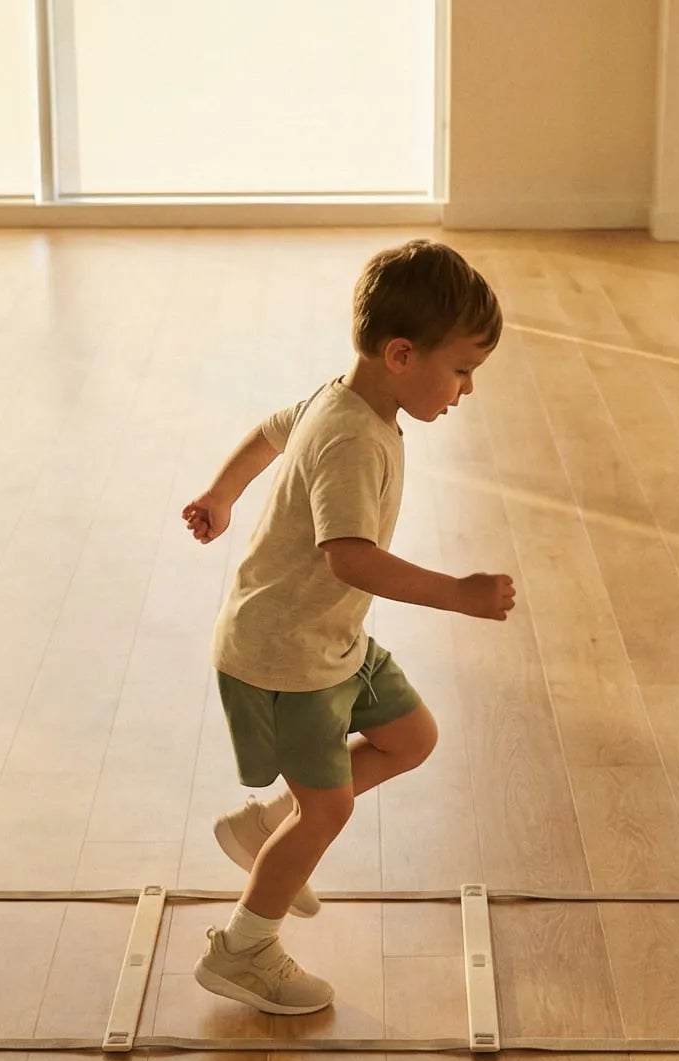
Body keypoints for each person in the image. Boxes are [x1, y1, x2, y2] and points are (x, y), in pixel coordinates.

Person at [175, 240, 515, 1014]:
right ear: (402, 354)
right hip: (286, 657)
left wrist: (220, 494)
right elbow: (350, 560)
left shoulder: (343, 398)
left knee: (411, 738)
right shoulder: (354, 437)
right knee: (327, 809)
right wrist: (457, 595)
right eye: (462, 369)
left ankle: (267, 830)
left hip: (327, 640)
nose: (466, 389)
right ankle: (243, 950)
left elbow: (270, 431)